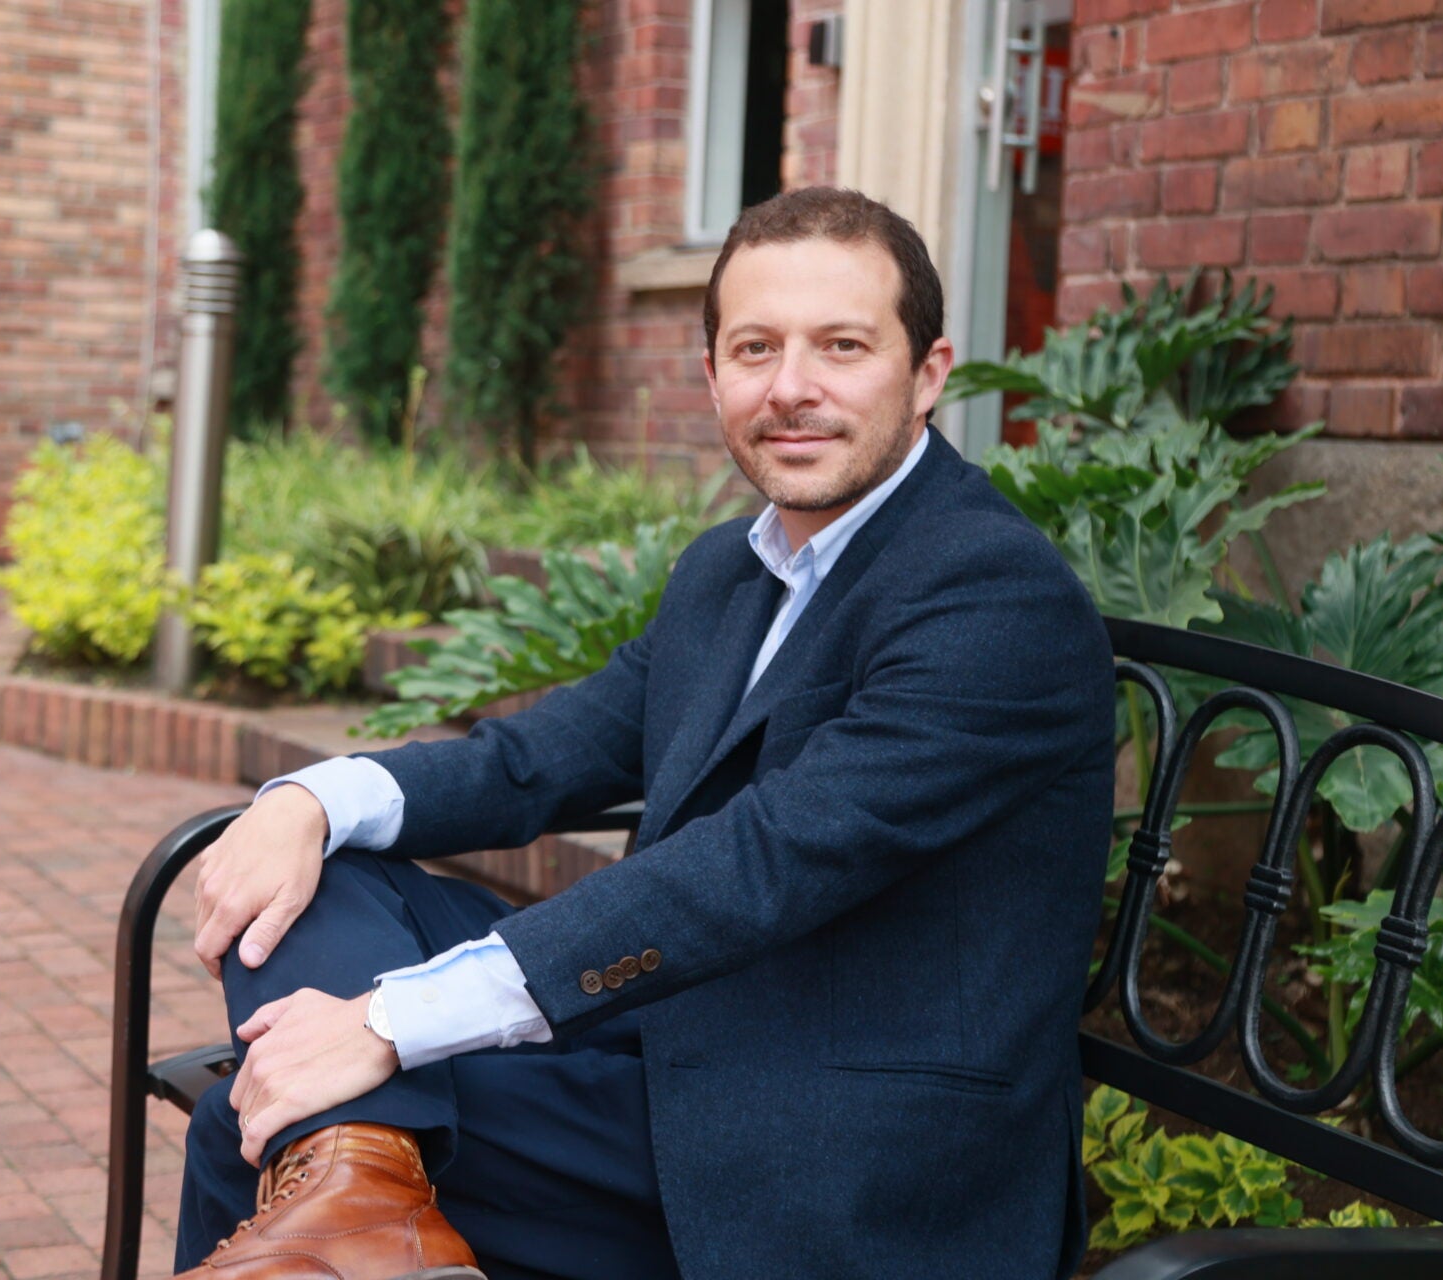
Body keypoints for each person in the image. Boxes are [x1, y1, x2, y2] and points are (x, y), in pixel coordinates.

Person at [172, 186, 1115, 1280]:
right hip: (680, 1034)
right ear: (712, 375)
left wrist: (386, 1023)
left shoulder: (990, 593)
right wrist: (311, 798)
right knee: (321, 877)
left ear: (929, 372)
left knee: (247, 1127)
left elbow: (762, 861)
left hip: (839, 1143)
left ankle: (350, 1192)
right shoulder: (730, 571)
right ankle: (356, 1196)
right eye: (756, 348)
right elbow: (538, 759)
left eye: (842, 346)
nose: (792, 387)